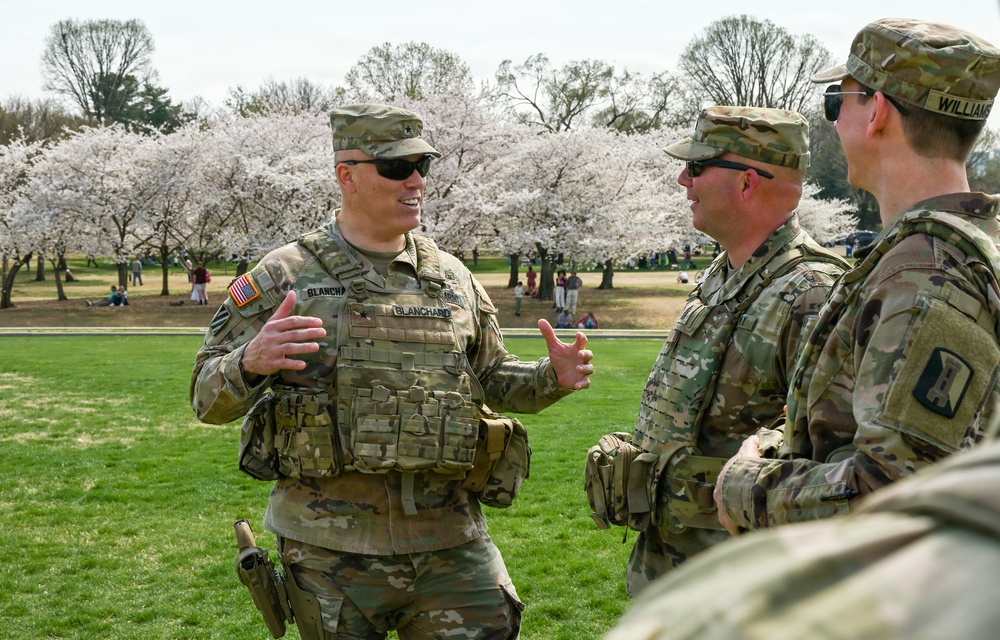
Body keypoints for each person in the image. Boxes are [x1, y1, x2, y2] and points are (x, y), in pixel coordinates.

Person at [190, 103, 595, 640]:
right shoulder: (284, 276)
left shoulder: (451, 277)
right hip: (330, 551)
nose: (415, 182)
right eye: (396, 168)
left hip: (451, 541)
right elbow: (205, 397)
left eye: (421, 166)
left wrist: (552, 378)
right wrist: (250, 361)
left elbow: (492, 378)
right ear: (347, 175)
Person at [715, 19, 1000, 536]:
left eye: (836, 101)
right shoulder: (959, 247)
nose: (833, 121)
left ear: (878, 113)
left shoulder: (925, 275)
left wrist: (745, 488)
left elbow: (895, 495)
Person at [585, 106, 848, 596]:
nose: (684, 179)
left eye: (699, 167)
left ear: (747, 183)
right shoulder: (723, 275)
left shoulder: (811, 292)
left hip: (740, 586)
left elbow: (832, 456)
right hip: (675, 568)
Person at [605, 425, 1000, 640]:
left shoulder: (812, 286)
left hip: (747, 567)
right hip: (671, 553)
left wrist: (744, 482)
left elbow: (883, 476)